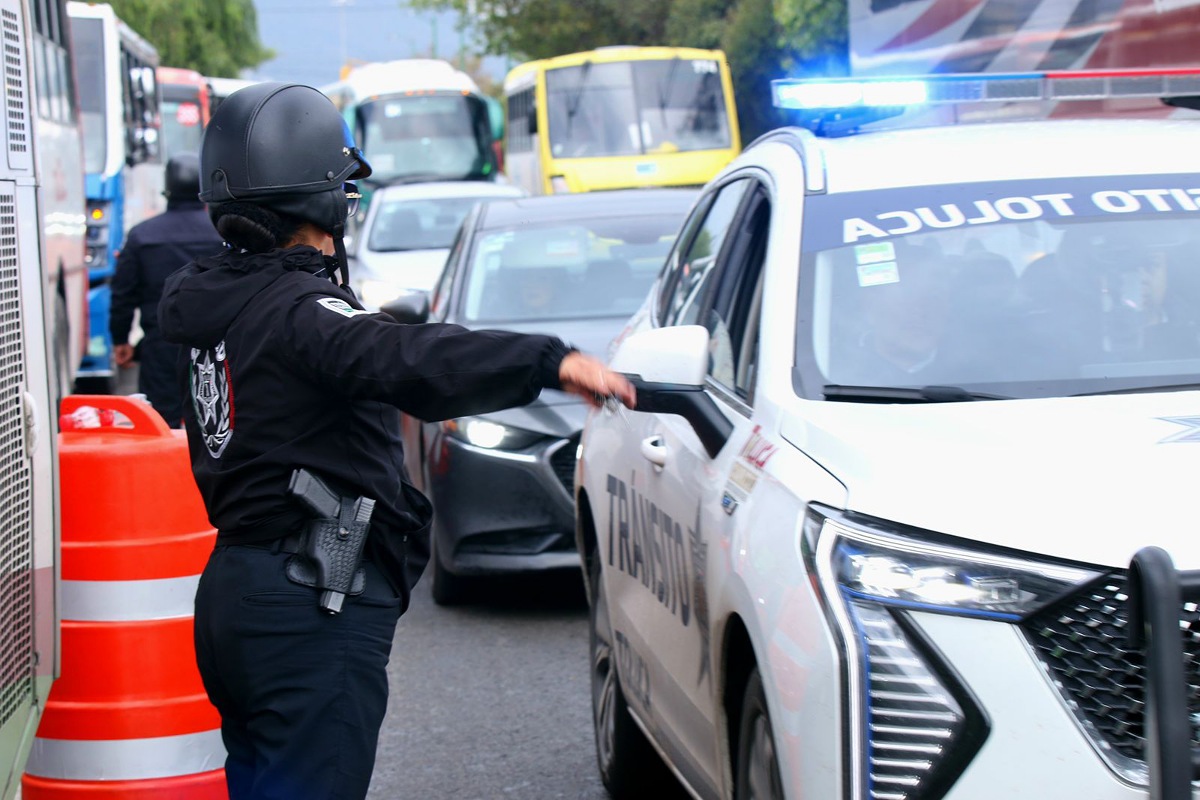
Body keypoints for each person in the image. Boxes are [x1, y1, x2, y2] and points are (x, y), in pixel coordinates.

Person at [157, 82, 634, 800]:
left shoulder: (215, 305)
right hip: (308, 606)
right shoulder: (301, 313)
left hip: (237, 592)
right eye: (342, 194)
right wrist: (549, 361)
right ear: (318, 203)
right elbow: (406, 359)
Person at [109, 152, 224, 425]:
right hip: (217, 346)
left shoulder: (141, 235)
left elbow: (123, 294)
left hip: (160, 345)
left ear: (167, 189)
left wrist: (121, 340)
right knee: (215, 420)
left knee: (162, 423)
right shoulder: (222, 233)